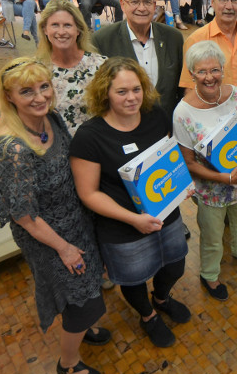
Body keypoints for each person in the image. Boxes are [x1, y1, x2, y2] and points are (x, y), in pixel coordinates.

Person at [0, 58, 109, 374]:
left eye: (44, 87)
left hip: (74, 220)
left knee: (88, 288)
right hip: (48, 237)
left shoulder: (49, 119)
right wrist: (65, 248)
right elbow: (23, 215)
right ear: (9, 96)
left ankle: (85, 328)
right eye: (26, 91)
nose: (39, 97)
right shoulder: (11, 148)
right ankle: (68, 362)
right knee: (82, 301)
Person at [70, 57, 191, 348]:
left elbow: (165, 158)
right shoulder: (89, 137)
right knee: (134, 279)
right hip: (122, 225)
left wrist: (179, 186)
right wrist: (133, 219)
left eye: (136, 89)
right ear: (105, 94)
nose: (131, 98)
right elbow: (88, 194)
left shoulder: (156, 116)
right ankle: (148, 315)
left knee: (175, 265)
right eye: (121, 92)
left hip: (163, 210)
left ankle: (161, 298)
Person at [172, 41, 237, 302]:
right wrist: (225, 178)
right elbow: (188, 163)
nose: (209, 77)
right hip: (211, 188)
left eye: (215, 70)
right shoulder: (183, 112)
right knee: (212, 235)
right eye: (201, 72)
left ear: (222, 70)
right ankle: (209, 274)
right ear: (191, 74)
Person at [92, 0, 184, 118]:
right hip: (124, 129)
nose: (142, 8)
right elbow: (99, 95)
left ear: (154, 5)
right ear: (122, 5)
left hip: (168, 129)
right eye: (134, 2)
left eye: (147, 2)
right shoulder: (102, 40)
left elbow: (182, 87)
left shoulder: (174, 38)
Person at [36, 0, 107, 135]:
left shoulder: (100, 66)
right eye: (55, 25)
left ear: (78, 30)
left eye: (67, 25)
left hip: (96, 146)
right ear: (45, 29)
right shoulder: (36, 71)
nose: (61, 32)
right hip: (55, 149)